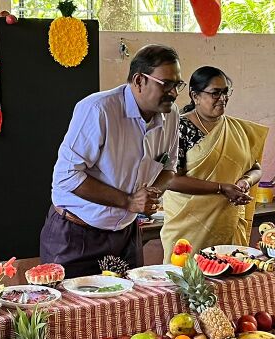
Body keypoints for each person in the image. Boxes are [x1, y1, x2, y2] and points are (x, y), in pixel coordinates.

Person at [41, 45, 184, 278]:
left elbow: (169, 168)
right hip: (76, 235)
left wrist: (148, 196)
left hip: (125, 234)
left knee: (130, 309)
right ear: (139, 80)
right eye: (165, 84)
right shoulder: (98, 109)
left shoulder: (171, 115)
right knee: (73, 313)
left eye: (177, 85)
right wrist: (129, 201)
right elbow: (66, 176)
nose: (174, 93)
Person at [160, 66, 269, 263]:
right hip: (189, 228)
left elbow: (255, 168)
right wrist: (221, 188)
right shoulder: (179, 128)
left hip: (227, 225)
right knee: (189, 285)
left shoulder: (236, 129)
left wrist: (245, 181)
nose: (223, 98)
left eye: (226, 92)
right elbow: (170, 180)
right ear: (195, 95)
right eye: (215, 93)